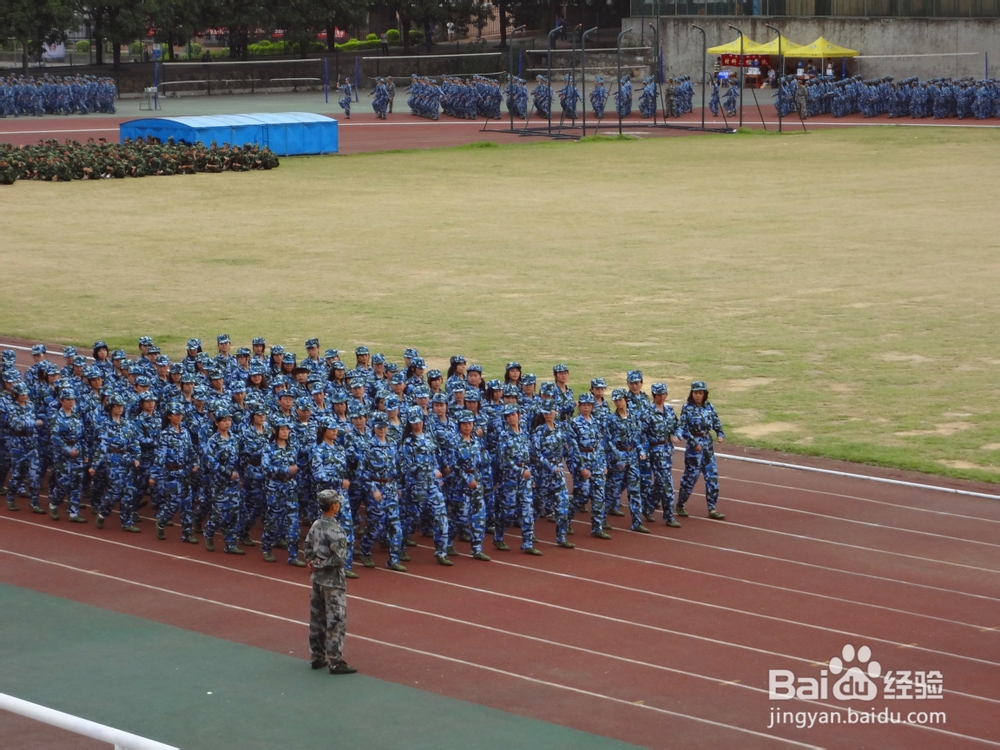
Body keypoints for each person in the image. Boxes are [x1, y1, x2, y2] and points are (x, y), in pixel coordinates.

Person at [304, 490, 357, 675]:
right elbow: (339, 560)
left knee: (317, 619)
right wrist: (322, 565)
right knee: (335, 621)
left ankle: (317, 656)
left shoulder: (316, 524)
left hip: (317, 581)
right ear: (334, 506)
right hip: (333, 582)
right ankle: (335, 661)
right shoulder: (337, 530)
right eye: (337, 502)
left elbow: (307, 546)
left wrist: (313, 562)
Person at [676, 381, 726, 520]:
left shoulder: (709, 407)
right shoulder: (687, 408)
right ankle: (680, 504)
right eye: (696, 393)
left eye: (701, 393)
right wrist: (692, 442)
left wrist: (720, 434)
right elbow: (684, 428)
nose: (698, 396)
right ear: (692, 394)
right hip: (694, 448)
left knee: (712, 477)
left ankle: (712, 508)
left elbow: (716, 422)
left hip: (707, 445)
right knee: (690, 478)